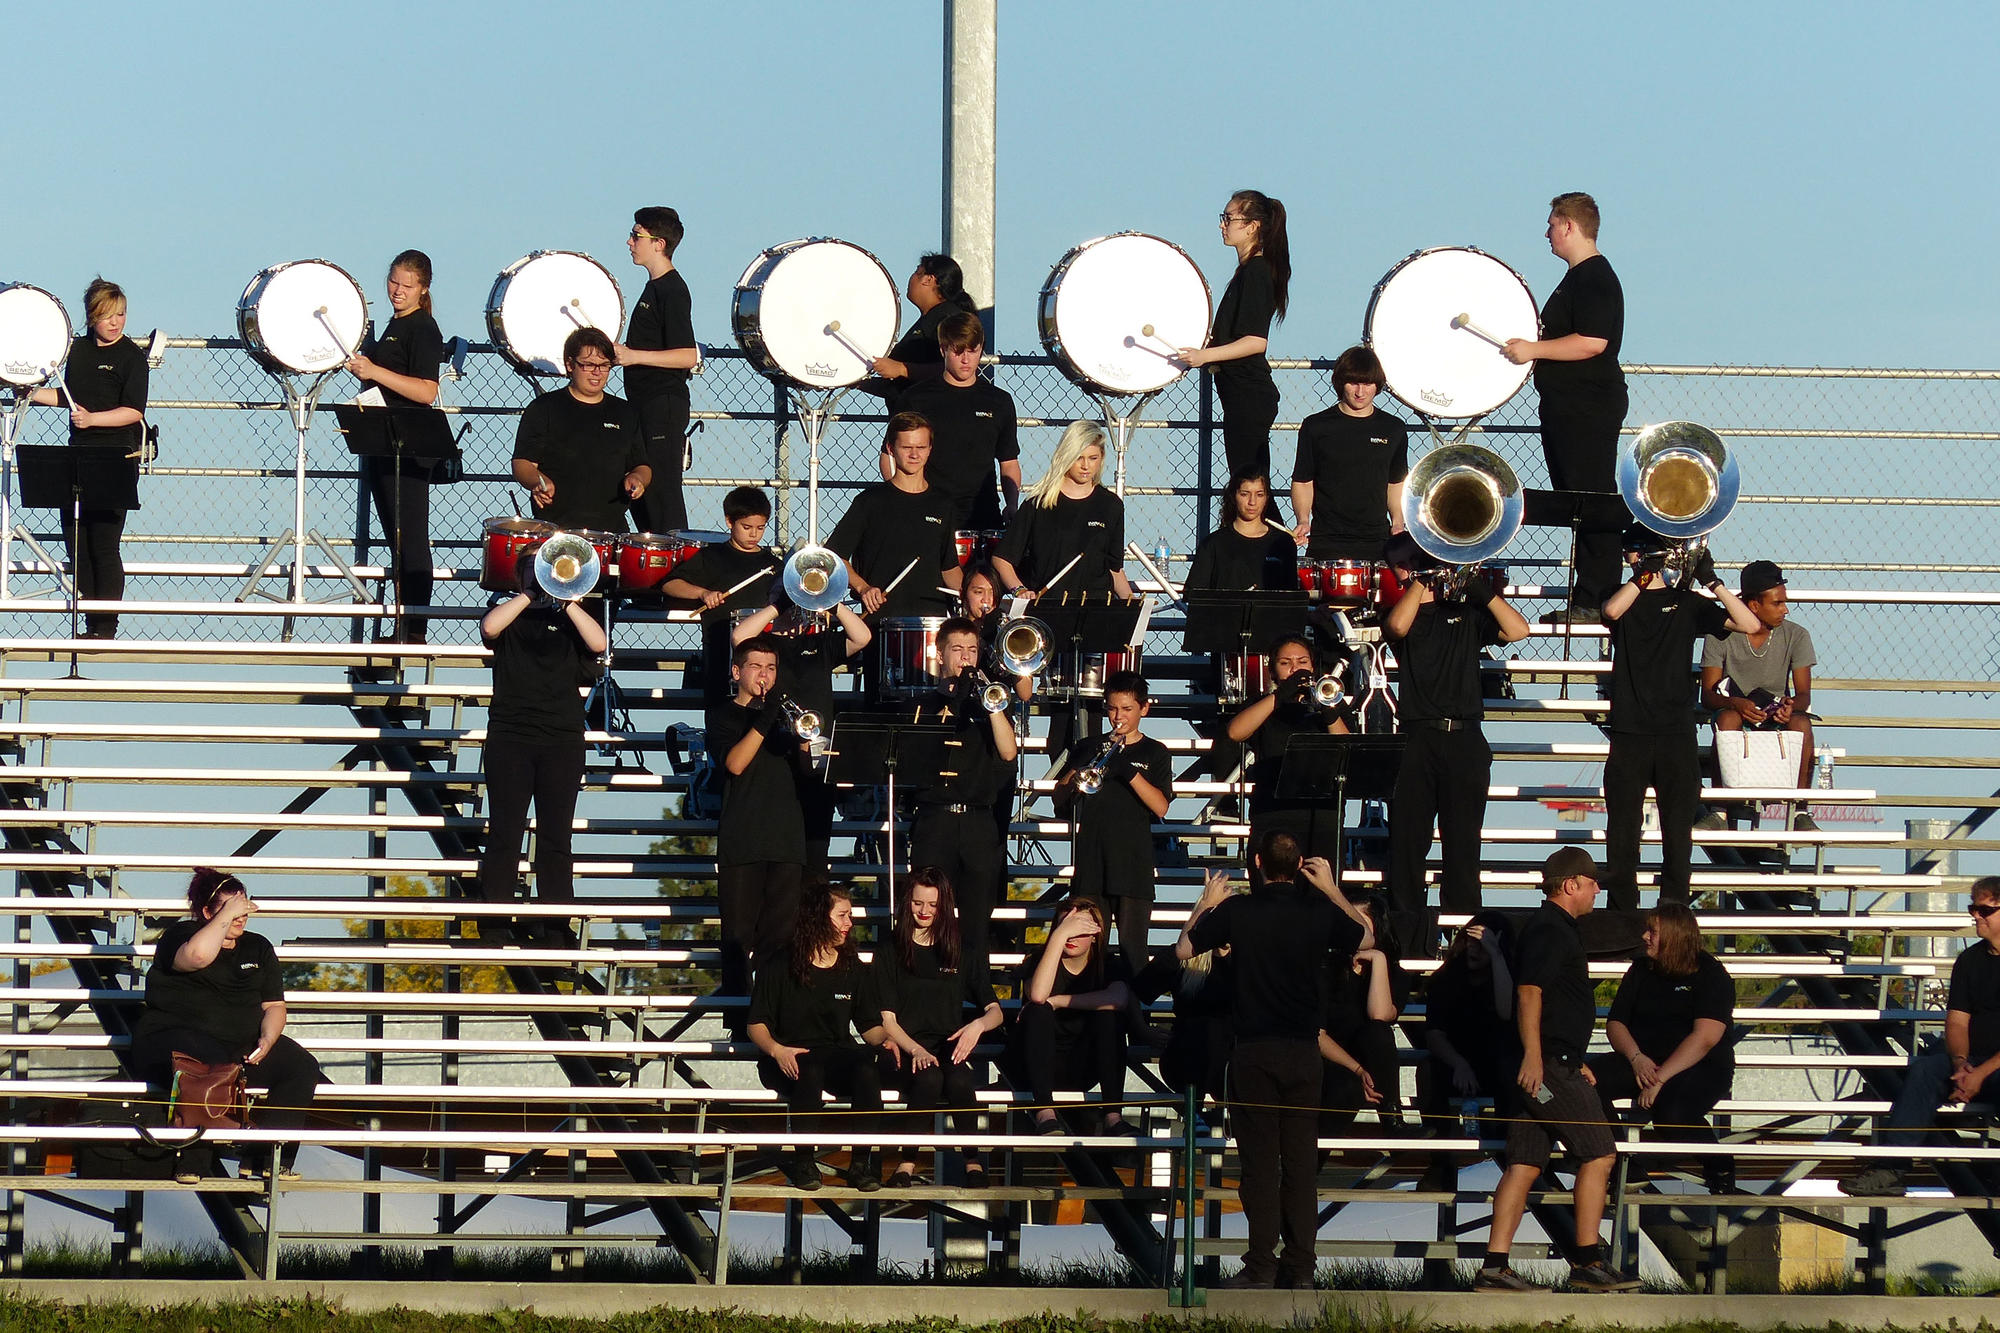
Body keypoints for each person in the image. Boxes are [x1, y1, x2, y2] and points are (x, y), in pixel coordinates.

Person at [1177, 837, 1368, 1290]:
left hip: (1255, 1051)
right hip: (1304, 1052)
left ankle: (1261, 1266)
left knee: (1261, 1167)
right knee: (1301, 1167)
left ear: (1258, 863)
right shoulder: (1318, 912)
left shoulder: (1239, 911)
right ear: (1301, 864)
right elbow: (1366, 935)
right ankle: (1301, 1268)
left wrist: (1204, 904)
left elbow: (1185, 950)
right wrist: (1333, 889)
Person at [1477, 848, 1640, 1294]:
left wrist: (1573, 1056)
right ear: (1570, 885)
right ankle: (1587, 1260)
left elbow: (1555, 1008)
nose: (1597, 890)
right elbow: (1529, 994)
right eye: (1591, 883)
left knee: (1525, 1163)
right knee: (1600, 1152)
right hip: (1545, 1067)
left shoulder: (1557, 928)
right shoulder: (1550, 930)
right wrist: (1537, 1056)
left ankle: (1494, 1266)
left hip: (1552, 1059)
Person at [1600, 527, 1757, 911]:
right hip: (1630, 731)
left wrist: (1712, 581)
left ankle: (1672, 910)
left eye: (1641, 552)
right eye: (1634, 553)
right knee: (1622, 833)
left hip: (1675, 733)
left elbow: (1750, 625)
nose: (1636, 558)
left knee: (1677, 834)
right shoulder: (1624, 600)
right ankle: (1622, 912)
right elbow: (1611, 611)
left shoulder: (1687, 603)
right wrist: (1642, 575)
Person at [129, 870, 322, 1179]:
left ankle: (267, 1157)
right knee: (209, 1060)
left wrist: (268, 1039)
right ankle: (193, 1160)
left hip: (238, 1042)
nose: (239, 917)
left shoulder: (258, 947)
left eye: (242, 909)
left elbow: (274, 1005)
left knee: (301, 1066)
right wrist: (224, 917)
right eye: (230, 910)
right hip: (176, 1041)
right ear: (207, 911)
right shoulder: (182, 936)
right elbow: (197, 956)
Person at [1381, 532, 1531, 917]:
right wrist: (1420, 582)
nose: (1411, 568)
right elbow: (1396, 628)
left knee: (1463, 848)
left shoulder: (1465, 613)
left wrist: (1479, 588)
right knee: (1407, 847)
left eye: (1417, 560)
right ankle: (1408, 943)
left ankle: (1465, 941)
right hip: (1417, 738)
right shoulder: (1402, 614)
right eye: (1404, 565)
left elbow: (1518, 630)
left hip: (1465, 739)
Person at [1502, 192, 1627, 623]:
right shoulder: (1579, 278)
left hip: (1586, 405)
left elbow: (1593, 341)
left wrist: (1533, 348)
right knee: (1578, 498)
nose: (1547, 232)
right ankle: (1590, 592)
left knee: (1590, 497)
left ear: (1570, 226)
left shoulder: (1594, 278)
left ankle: (1598, 595)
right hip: (1566, 404)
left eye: (1552, 224)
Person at [476, 553, 608, 924]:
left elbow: (598, 644)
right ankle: (494, 922)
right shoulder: (511, 615)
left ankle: (556, 925)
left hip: (561, 740)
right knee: (505, 831)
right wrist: (529, 594)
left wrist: (567, 598)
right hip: (511, 737)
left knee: (556, 836)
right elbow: (489, 628)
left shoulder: (571, 620)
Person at [1848, 876, 2000, 1197]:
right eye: (1973, 909)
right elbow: (1957, 1022)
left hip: (1993, 1069)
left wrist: (1980, 1075)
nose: (1975, 916)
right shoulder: (1970, 961)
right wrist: (1961, 1065)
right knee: (1925, 1070)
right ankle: (1891, 1168)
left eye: (1984, 910)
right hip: (1974, 1062)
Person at [747, 879, 884, 1192]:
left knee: (866, 1068)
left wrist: (887, 1040)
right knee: (810, 1069)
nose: (850, 923)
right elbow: (756, 1023)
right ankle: (805, 1161)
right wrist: (776, 1050)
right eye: (842, 916)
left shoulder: (852, 966)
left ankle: (861, 1164)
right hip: (788, 1056)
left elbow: (868, 1025)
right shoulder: (781, 963)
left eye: (850, 916)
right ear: (819, 917)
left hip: (835, 1053)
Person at [30, 277, 147, 639]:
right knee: (76, 541)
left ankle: (104, 626)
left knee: (103, 543)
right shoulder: (78, 352)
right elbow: (69, 396)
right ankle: (90, 621)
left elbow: (133, 411)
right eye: (108, 315)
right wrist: (30, 391)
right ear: (91, 316)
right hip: (78, 455)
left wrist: (94, 419)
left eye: (121, 314)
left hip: (116, 455)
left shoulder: (131, 357)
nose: (116, 322)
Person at [1589, 904, 1736, 1189]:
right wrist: (1636, 1058)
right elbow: (1616, 1023)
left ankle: (1720, 1166)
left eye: (1652, 931)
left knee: (1672, 1114)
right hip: (1642, 1060)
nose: (1645, 937)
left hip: (1698, 1066)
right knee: (1585, 1082)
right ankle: (1620, 1165)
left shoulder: (1711, 973)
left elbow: (1705, 1037)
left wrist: (1659, 1079)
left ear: (1673, 936)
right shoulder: (1641, 968)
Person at [872, 867, 1003, 1186]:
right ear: (908, 903)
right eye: (918, 903)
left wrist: (976, 1027)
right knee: (929, 1077)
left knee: (959, 1080)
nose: (925, 911)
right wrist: (915, 1049)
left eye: (932, 904)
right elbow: (887, 1018)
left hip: (947, 1045)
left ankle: (973, 1162)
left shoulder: (962, 950)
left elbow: (995, 1010)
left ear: (944, 905)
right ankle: (907, 1163)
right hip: (904, 1048)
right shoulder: (891, 950)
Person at [729, 584, 869, 876]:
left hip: (816, 757)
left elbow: (862, 636)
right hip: (777, 757)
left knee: (815, 859)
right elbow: (739, 637)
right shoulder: (764, 646)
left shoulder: (820, 644)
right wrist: (778, 605)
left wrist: (832, 603)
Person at [909, 618, 1018, 976]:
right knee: (928, 919)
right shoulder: (921, 704)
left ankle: (974, 1000)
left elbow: (1007, 752)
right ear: (939, 654)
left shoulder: (991, 704)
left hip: (977, 823)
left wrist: (992, 705)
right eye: (957, 649)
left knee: (975, 925)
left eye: (972, 650)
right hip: (935, 820)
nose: (965, 657)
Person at [345, 251, 445, 641]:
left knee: (411, 539)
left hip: (409, 444)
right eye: (393, 283)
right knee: (396, 538)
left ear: (423, 289)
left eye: (407, 286)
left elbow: (425, 390)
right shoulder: (394, 325)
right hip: (382, 440)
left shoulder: (423, 328)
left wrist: (374, 372)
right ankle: (404, 625)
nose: (397, 292)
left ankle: (413, 628)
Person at [1182, 472, 1298, 798]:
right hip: (1228, 653)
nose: (1251, 502)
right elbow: (1197, 593)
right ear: (1233, 496)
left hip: (1271, 654)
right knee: (1228, 727)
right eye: (1245, 494)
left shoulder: (1281, 543)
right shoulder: (1216, 543)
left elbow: (1290, 597)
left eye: (1259, 495)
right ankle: (1228, 801)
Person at [707, 635, 809, 1002]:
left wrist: (803, 740)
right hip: (743, 839)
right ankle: (738, 1018)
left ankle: (771, 1015)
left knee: (780, 939)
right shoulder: (722, 715)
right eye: (755, 667)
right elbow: (734, 763)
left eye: (771, 668)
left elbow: (811, 771)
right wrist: (766, 720)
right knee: (737, 937)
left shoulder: (785, 717)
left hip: (786, 839)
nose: (764, 675)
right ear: (737, 672)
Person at [1058, 671, 1172, 975]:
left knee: (1133, 952)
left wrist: (1127, 770)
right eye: (1111, 708)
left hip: (1133, 865)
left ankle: (1133, 1017)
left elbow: (1160, 806)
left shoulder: (1155, 752)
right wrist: (1078, 771)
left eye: (1126, 709)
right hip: (1092, 860)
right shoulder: (1088, 745)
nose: (1117, 716)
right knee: (1090, 950)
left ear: (1144, 709)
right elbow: (1060, 800)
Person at [1178, 190, 1290, 490]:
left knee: (1249, 484)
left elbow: (1255, 341)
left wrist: (1205, 356)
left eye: (1229, 218)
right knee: (1248, 480)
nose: (1222, 225)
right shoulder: (1249, 271)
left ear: (1252, 225)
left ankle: (1274, 538)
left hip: (1248, 394)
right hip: (1240, 394)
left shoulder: (1256, 272)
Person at [1010, 895, 1136, 1137]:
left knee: (1108, 1015)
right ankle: (1045, 1113)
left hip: (1083, 1064)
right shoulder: (1039, 960)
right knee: (1038, 1011)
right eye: (1065, 928)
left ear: (1095, 933)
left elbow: (1118, 999)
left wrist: (1058, 1001)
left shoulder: (1109, 964)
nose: (1071, 936)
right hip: (1037, 1065)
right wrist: (1057, 937)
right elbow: (1037, 995)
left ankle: (1113, 1116)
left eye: (1079, 930)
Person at [1699, 559, 1818, 804]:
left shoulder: (1796, 635)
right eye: (1777, 603)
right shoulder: (1720, 633)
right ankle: (1720, 809)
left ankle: (1801, 809)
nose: (1785, 609)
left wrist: (1789, 706)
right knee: (1726, 719)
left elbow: (1804, 695)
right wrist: (1736, 704)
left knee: (1802, 725)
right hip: (1736, 710)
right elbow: (1708, 696)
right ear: (1753, 605)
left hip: (1775, 714)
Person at [1226, 634, 1351, 865]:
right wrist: (1281, 695)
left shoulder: (1333, 703)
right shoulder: (1262, 704)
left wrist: (1328, 709)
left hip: (1322, 814)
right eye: (1285, 663)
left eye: (1302, 662)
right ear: (1272, 671)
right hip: (1273, 811)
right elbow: (1235, 732)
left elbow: (1346, 748)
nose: (1295, 669)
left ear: (1313, 666)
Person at [1417, 913, 1519, 1193]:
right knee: (1428, 1070)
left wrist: (1496, 957)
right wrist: (1459, 1063)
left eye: (1483, 943)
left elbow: (1506, 1012)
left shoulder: (1509, 974)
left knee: (1511, 1069)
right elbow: (1434, 1033)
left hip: (1496, 1061)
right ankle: (1440, 1163)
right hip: (1456, 1060)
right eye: (1471, 941)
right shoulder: (1447, 978)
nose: (1475, 948)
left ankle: (1513, 1155)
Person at [890, 312, 1020, 531]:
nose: (966, 359)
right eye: (958, 351)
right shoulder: (916, 398)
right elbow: (890, 456)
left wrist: (1013, 504)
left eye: (973, 351)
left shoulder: (1000, 401)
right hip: (928, 512)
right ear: (943, 350)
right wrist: (904, 498)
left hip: (982, 513)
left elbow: (1008, 462)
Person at [512, 327, 650, 532]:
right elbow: (522, 463)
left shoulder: (625, 412)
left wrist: (638, 479)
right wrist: (538, 482)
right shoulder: (544, 408)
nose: (597, 372)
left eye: (604, 365)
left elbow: (642, 466)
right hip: (555, 529)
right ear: (570, 364)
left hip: (611, 532)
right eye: (588, 365)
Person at [613, 207, 699, 533]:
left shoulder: (672, 290)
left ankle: (675, 569)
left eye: (636, 236)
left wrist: (633, 356)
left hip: (662, 402)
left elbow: (688, 355)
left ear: (659, 243)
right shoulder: (653, 288)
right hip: (642, 401)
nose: (629, 242)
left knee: (662, 492)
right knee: (639, 485)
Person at [828, 411, 960, 620]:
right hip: (881, 620)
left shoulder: (943, 504)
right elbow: (834, 556)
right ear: (891, 449)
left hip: (930, 622)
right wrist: (864, 588)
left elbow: (948, 567)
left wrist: (973, 593)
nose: (914, 455)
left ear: (929, 450)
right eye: (906, 447)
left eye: (921, 447)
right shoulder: (870, 501)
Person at [1133, 873, 1240, 1118]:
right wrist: (1143, 1030)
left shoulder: (1248, 964)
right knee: (1204, 1030)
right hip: (1186, 1058)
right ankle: (1196, 1115)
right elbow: (1136, 991)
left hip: (1231, 1064)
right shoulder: (1182, 961)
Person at [992, 419, 1134, 603]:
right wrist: (1019, 590)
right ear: (1066, 456)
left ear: (1102, 457)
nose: (1086, 466)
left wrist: (1133, 605)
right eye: (1078, 457)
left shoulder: (1111, 504)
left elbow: (1114, 569)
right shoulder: (1038, 503)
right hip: (1047, 606)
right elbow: (1002, 559)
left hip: (1095, 607)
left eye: (1093, 458)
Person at [662, 487, 783, 701]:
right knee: (721, 714)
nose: (754, 534)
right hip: (720, 647)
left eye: (760, 528)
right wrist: (703, 593)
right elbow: (670, 584)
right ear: (729, 522)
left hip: (763, 656)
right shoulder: (712, 557)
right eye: (746, 527)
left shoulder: (773, 565)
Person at [1291, 348, 1408, 561]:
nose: (1360, 392)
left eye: (1367, 384)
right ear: (1340, 383)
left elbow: (1396, 482)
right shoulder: (1315, 426)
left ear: (1377, 385)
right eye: (1353, 383)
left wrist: (1398, 522)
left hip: (1377, 540)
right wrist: (1302, 520)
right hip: (1327, 540)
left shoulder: (1394, 429)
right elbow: (1303, 480)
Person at [1319, 892, 1411, 1136]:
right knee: (1346, 1088)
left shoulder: (1395, 974)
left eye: (1358, 921)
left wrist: (1378, 959)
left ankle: (1391, 1118)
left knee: (1377, 1031)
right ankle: (1306, 1170)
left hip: (1370, 1063)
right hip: (1329, 1060)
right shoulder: (1324, 967)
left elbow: (1380, 1015)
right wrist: (1358, 1070)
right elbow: (1316, 1033)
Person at [864, 253, 978, 401]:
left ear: (928, 279)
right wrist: (856, 380)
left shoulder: (948, 319)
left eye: (916, 272)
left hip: (930, 417)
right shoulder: (931, 319)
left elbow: (954, 368)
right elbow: (897, 386)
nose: (911, 278)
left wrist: (902, 369)